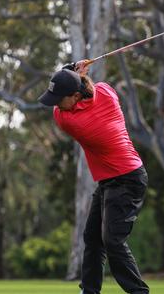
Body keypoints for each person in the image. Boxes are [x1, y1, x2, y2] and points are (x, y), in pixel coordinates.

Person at [38, 60, 150, 294]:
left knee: (113, 241)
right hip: (111, 179)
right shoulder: (107, 94)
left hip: (127, 179)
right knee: (92, 237)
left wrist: (72, 70)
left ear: (75, 96)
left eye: (60, 99)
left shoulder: (71, 121)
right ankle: (89, 291)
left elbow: (58, 111)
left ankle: (139, 293)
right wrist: (74, 75)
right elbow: (99, 86)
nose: (57, 103)